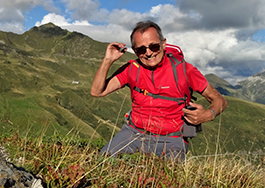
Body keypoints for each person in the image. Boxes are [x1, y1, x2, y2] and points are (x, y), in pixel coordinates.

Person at [91, 21, 227, 160]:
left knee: (170, 177)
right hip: (133, 133)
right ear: (135, 50)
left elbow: (219, 100)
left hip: (172, 139)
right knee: (103, 162)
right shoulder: (131, 69)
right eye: (141, 49)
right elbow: (97, 91)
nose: (149, 53)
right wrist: (108, 60)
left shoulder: (184, 70)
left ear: (163, 43)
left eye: (154, 46)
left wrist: (208, 115)